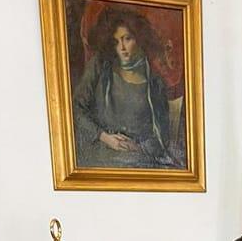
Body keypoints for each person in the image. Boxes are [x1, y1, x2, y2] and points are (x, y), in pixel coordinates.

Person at [72, 9, 182, 169]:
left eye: (127, 39)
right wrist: (104, 137)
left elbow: (161, 137)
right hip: (100, 155)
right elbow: (76, 109)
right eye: (116, 42)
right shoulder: (100, 67)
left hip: (138, 159)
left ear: (139, 39)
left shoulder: (155, 84)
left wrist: (137, 147)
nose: (122, 47)